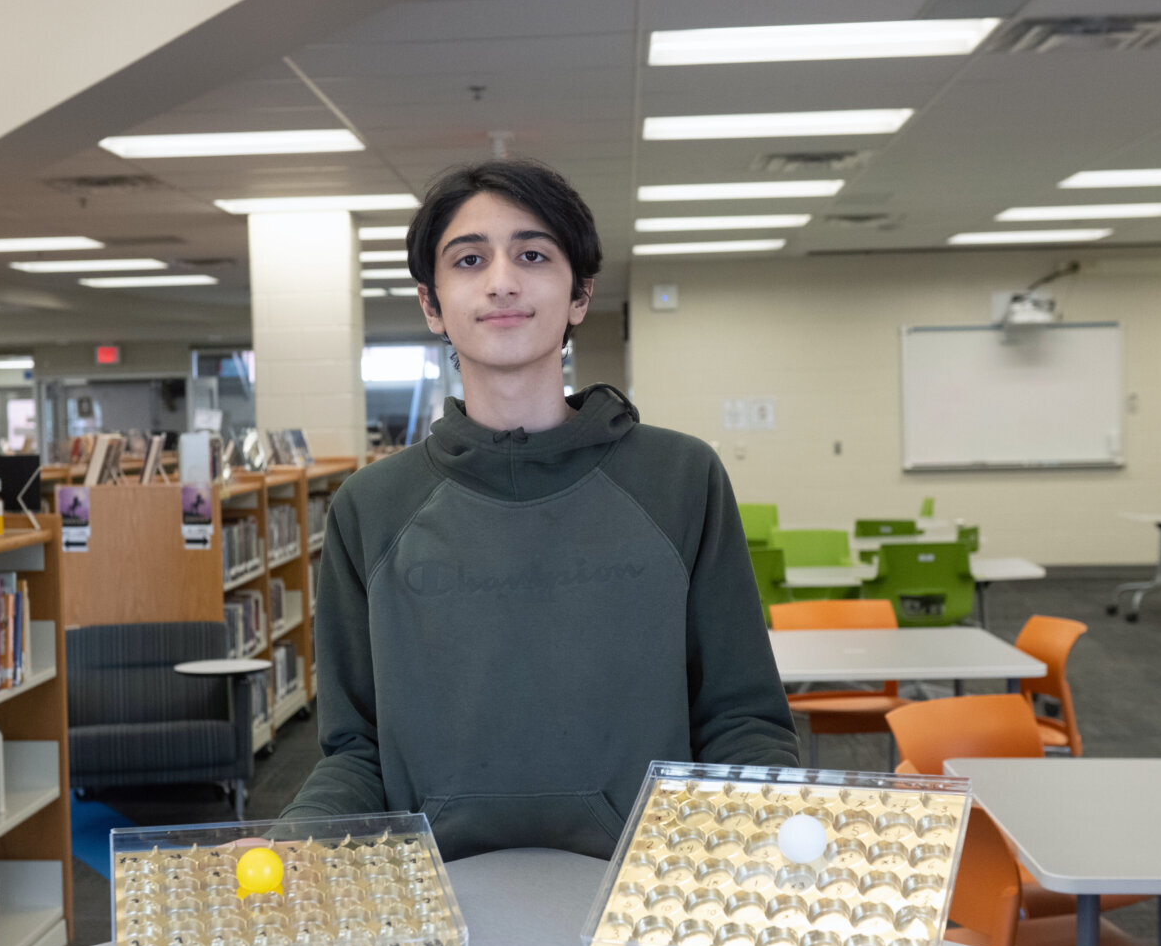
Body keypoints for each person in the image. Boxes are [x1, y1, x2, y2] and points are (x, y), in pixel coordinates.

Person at [282, 159, 797, 859]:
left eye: (532, 255)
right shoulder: (371, 507)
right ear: (432, 304)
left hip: (641, 893)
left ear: (579, 294)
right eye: (469, 259)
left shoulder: (680, 479)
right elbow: (356, 751)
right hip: (441, 897)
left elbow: (742, 721)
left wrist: (765, 846)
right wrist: (293, 843)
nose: (502, 281)